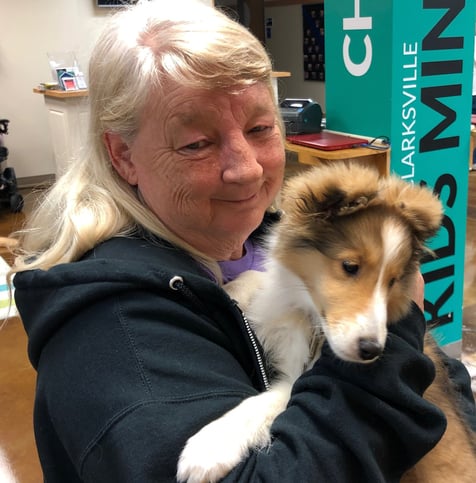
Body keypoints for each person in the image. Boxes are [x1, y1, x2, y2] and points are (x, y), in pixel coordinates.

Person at [10, 1, 475, 482]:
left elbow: (445, 392)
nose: (247, 168)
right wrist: (399, 339)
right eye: (196, 143)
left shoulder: (262, 236)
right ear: (123, 155)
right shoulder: (114, 328)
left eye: (260, 128)